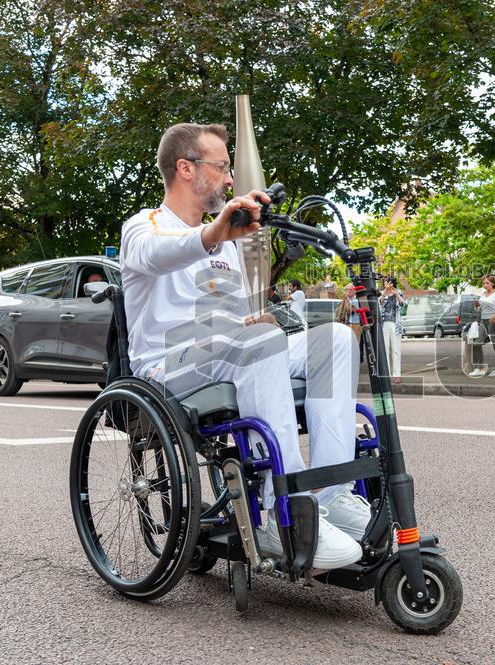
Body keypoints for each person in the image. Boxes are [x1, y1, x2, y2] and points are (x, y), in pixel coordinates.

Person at [119, 122, 366, 570]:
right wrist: (214, 233)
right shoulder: (143, 227)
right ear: (186, 169)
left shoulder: (227, 242)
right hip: (165, 369)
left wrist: (255, 317)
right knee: (260, 342)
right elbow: (159, 255)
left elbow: (228, 315)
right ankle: (279, 509)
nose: (231, 179)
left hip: (227, 354)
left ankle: (330, 498)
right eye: (221, 167)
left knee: (334, 340)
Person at [469, 275, 495, 378]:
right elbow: (479, 310)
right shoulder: (483, 295)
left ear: (492, 283)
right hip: (483, 321)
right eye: (483, 283)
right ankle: (480, 368)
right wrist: (476, 306)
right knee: (476, 343)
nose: (485, 285)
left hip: (494, 321)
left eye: (487, 283)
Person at [379, 276, 405, 384]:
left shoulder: (398, 293)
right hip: (384, 324)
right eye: (385, 283)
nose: (387, 285)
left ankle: (396, 375)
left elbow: (403, 305)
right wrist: (385, 291)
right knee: (385, 350)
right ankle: (386, 375)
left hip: (396, 324)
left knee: (396, 350)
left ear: (393, 283)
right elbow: (380, 302)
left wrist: (396, 294)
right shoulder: (382, 293)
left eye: (389, 283)